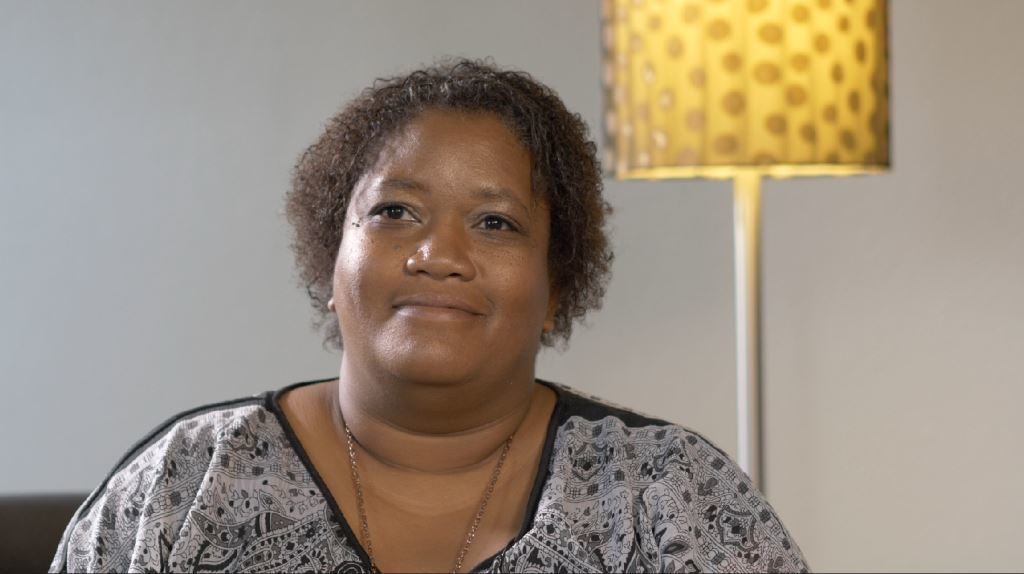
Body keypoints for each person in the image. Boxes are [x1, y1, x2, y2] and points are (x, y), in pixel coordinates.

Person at [50, 59, 809, 573]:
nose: (437, 253)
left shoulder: (669, 496)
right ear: (329, 262)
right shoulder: (186, 485)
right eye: (395, 211)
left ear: (556, 288)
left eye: (495, 223)